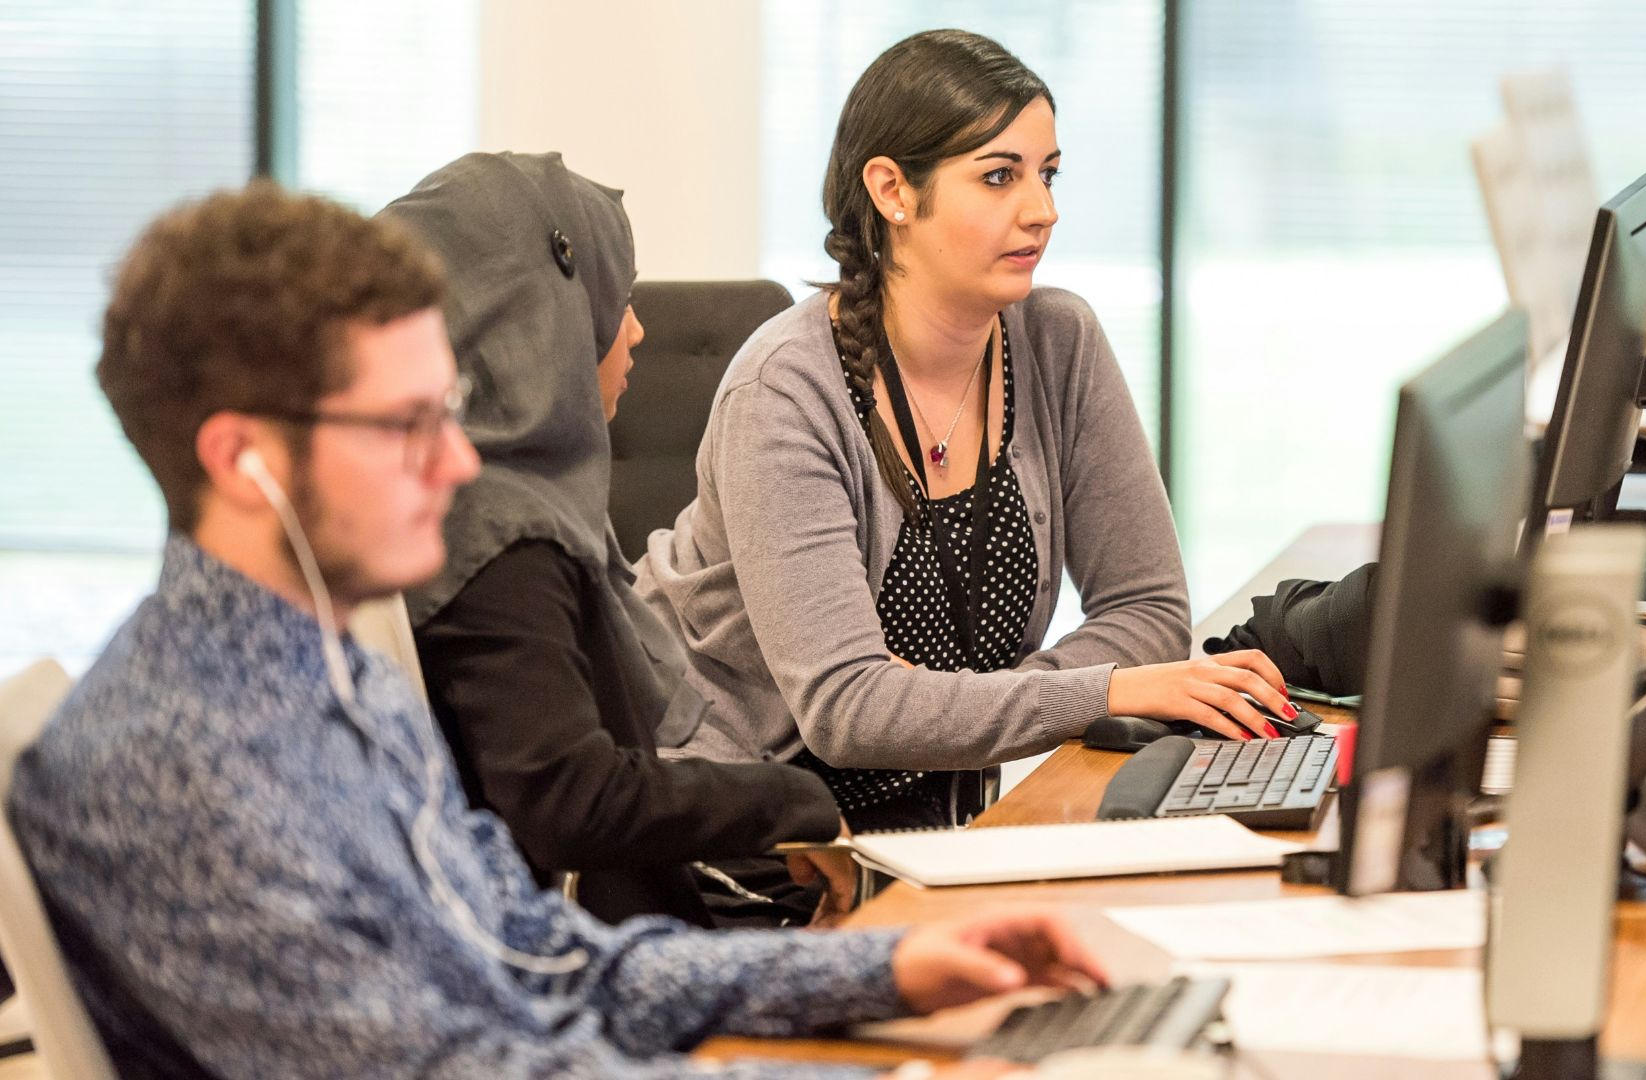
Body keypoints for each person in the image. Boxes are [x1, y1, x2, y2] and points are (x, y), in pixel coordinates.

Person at [8, 180, 1104, 1078]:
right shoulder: (180, 760)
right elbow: (457, 1072)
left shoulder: (333, 682)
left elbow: (543, 961)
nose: (454, 461)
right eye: (405, 424)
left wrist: (886, 972)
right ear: (241, 461)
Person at [636, 29, 1297, 829]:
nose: (1043, 210)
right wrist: (1103, 688)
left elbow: (1149, 610)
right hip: (752, 834)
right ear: (892, 191)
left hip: (939, 821)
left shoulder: (1058, 342)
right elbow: (848, 710)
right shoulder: (786, 390)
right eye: (999, 177)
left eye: (1047, 174)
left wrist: (955, 703)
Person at [383, 152, 850, 929]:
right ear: (540, 317)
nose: (636, 329)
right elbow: (569, 801)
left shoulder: (484, 504)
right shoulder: (502, 538)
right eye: (616, 299)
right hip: (591, 961)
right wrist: (791, 802)